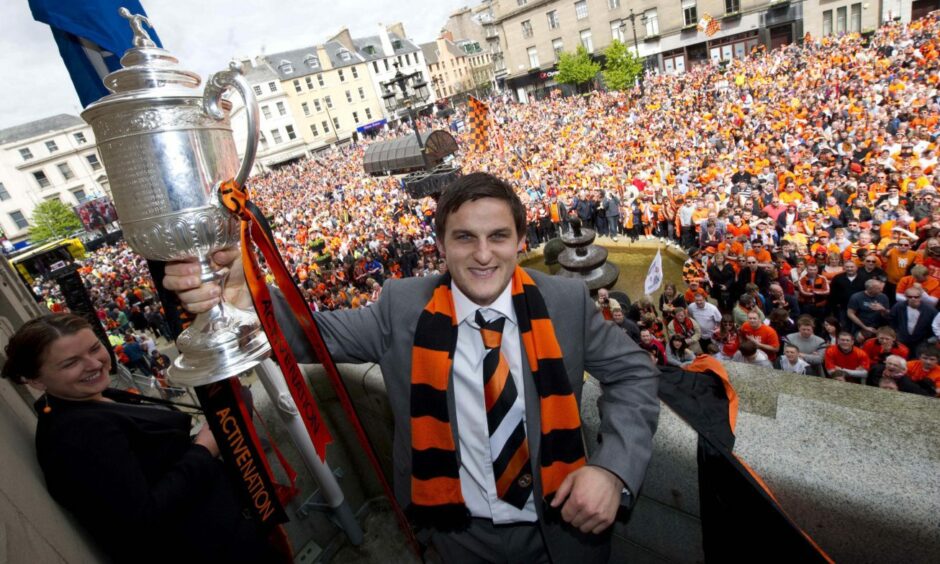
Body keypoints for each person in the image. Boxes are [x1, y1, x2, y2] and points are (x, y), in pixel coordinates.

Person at [164, 173, 660, 562]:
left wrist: (612, 468)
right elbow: (306, 337)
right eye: (464, 238)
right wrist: (244, 293)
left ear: (520, 239)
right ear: (440, 246)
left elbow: (635, 372)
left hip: (561, 526)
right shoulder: (402, 305)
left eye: (498, 236)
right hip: (456, 534)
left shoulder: (565, 299)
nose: (483, 255)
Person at [0, 314, 283, 563]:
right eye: (71, 362)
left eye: (95, 348)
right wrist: (206, 446)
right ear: (36, 380)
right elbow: (145, 516)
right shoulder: (78, 434)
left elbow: (154, 458)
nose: (94, 363)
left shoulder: (89, 399)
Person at [889, 287, 937, 352]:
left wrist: (928, 340)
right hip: (902, 339)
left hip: (921, 342)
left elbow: (935, 325)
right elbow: (892, 319)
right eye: (910, 297)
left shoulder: (930, 310)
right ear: (905, 297)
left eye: (916, 297)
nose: (913, 299)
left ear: (920, 297)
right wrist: (896, 332)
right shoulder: (898, 306)